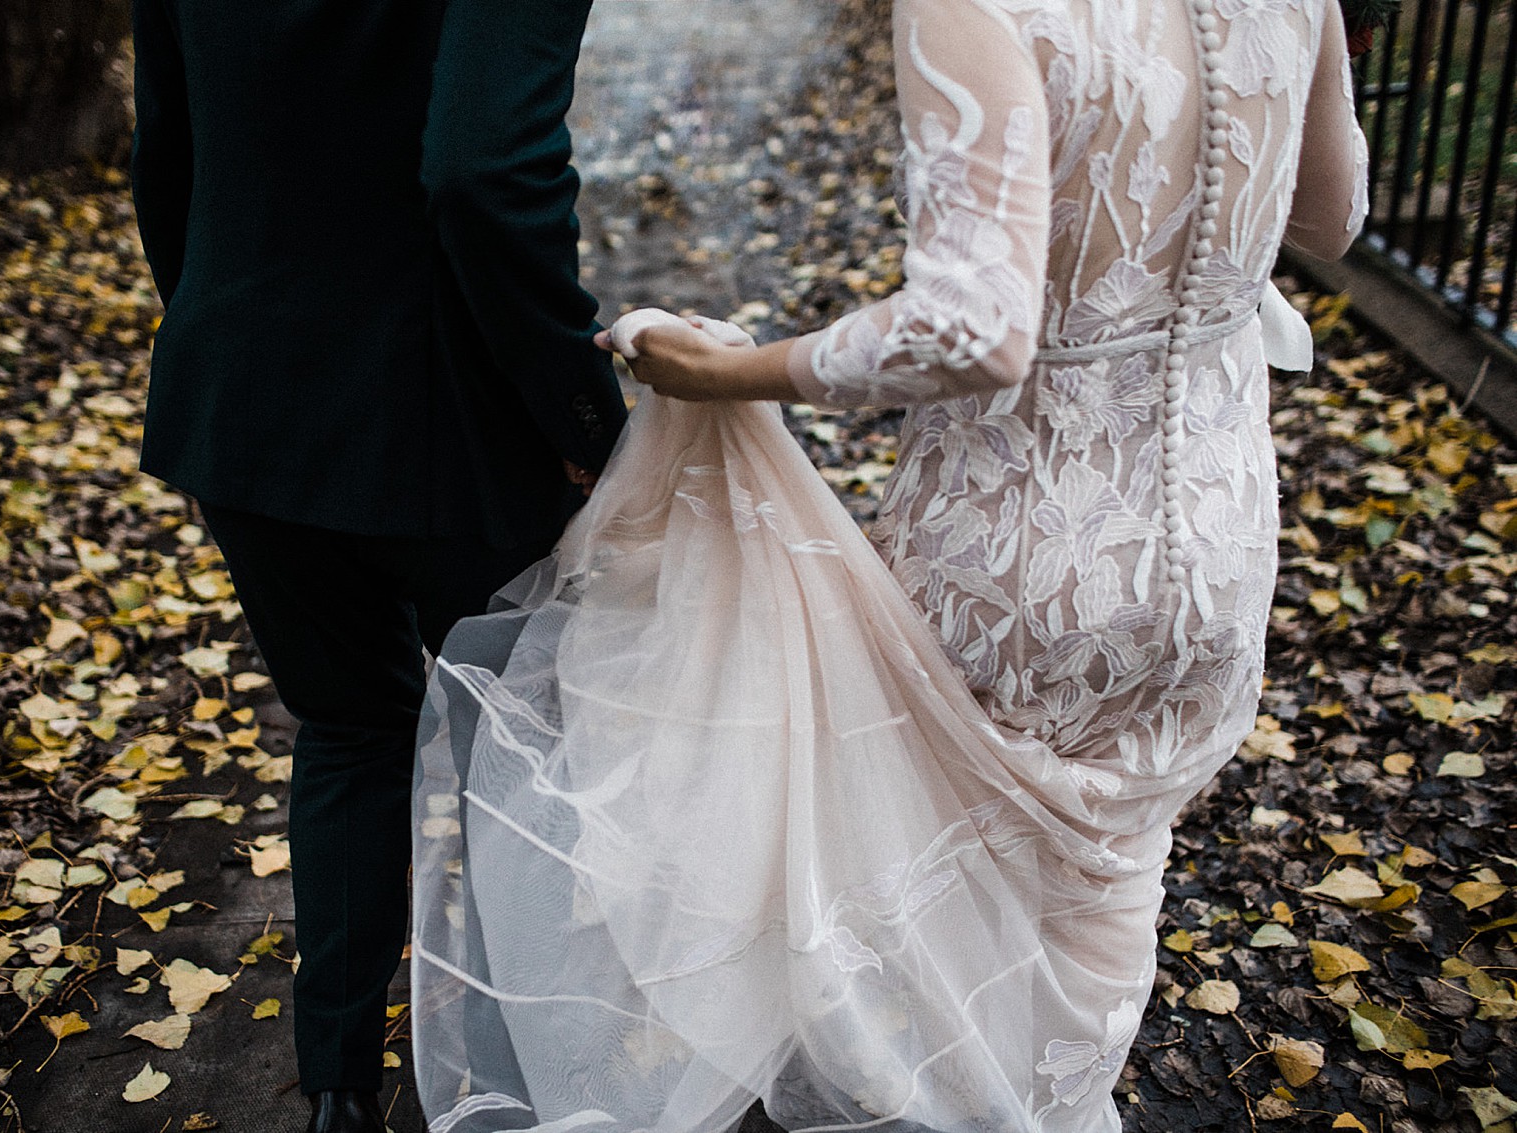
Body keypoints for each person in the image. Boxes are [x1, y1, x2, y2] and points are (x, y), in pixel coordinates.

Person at [409, 0, 1368, 1129]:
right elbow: (1330, 216)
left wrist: (718, 373)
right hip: (1216, 539)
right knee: (1109, 872)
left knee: (939, 909)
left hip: (1020, 558)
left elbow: (974, 330)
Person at [127, 1, 627, 1130]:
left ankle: (338, 1093)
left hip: (250, 404)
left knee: (347, 724)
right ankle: (515, 1086)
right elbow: (481, 168)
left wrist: (225, 352)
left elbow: (169, 156)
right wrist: (583, 416)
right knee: (521, 741)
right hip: (454, 416)